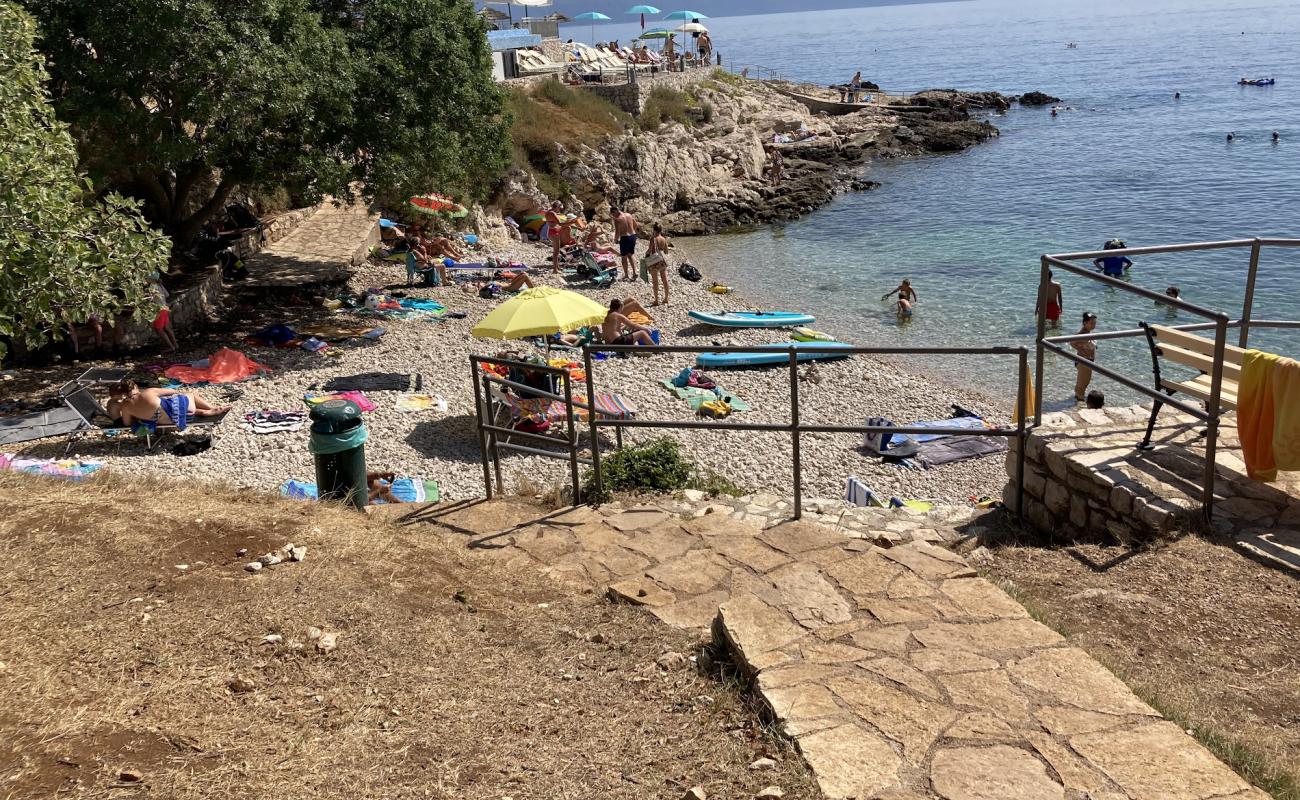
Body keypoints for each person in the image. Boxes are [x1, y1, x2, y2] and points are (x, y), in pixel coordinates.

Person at [109, 379, 228, 431]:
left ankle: (203, 412)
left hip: (170, 424)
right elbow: (174, 391)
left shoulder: (125, 405)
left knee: (162, 409)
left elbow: (127, 423)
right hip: (187, 413)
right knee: (189, 394)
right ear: (135, 386)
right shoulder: (149, 391)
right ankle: (211, 407)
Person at [1070, 312, 1098, 402]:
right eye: (1091, 323)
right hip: (1084, 361)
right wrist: (1081, 350)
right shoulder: (1083, 334)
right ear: (1084, 323)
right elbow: (1072, 342)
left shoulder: (1088, 333)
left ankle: (1077, 398)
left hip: (1087, 361)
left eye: (1094, 323)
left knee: (1084, 382)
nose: (1093, 325)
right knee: (1083, 382)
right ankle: (1079, 399)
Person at [149, 275, 179, 352]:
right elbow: (167, 295)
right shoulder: (160, 285)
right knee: (167, 327)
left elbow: (150, 299)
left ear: (151, 279)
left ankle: (171, 347)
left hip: (158, 310)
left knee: (159, 330)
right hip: (165, 307)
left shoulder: (152, 287)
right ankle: (175, 344)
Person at [645, 223, 672, 306]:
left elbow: (650, 250)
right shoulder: (664, 239)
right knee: (664, 279)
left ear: (654, 230)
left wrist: (645, 254)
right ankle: (666, 298)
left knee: (655, 281)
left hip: (654, 261)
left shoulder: (653, 239)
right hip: (661, 260)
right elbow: (666, 252)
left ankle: (656, 300)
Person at [611, 205, 639, 281]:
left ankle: (626, 275)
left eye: (613, 214)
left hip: (625, 238)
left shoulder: (617, 219)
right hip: (633, 236)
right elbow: (636, 225)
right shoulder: (629, 215)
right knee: (630, 254)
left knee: (624, 257)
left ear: (615, 211)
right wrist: (631, 231)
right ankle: (635, 272)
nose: (613, 216)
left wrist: (616, 240)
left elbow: (617, 232)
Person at [544, 201, 571, 274]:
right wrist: (572, 222)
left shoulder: (548, 212)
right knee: (556, 252)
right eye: (559, 207)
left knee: (557, 251)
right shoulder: (552, 213)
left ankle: (557, 267)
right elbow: (560, 223)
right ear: (556, 207)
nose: (560, 209)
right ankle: (555, 270)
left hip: (552, 232)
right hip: (554, 233)